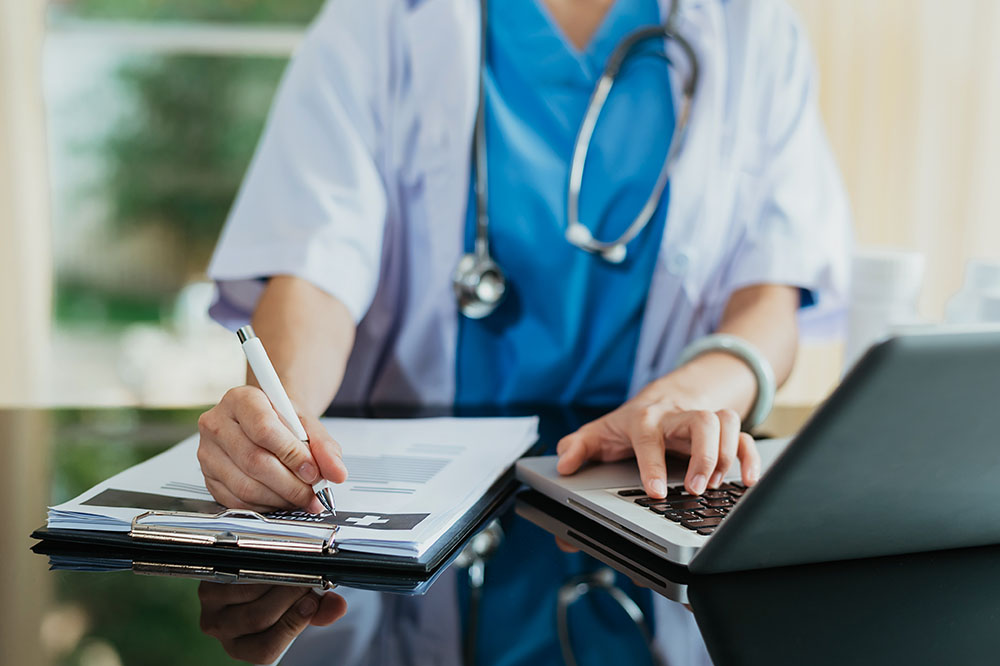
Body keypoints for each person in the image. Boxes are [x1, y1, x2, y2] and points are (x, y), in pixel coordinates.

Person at [198, 0, 850, 662]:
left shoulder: (753, 26)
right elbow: (314, 266)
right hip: (429, 515)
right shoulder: (379, 19)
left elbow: (773, 290)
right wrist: (281, 421)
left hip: (636, 488)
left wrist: (694, 391)